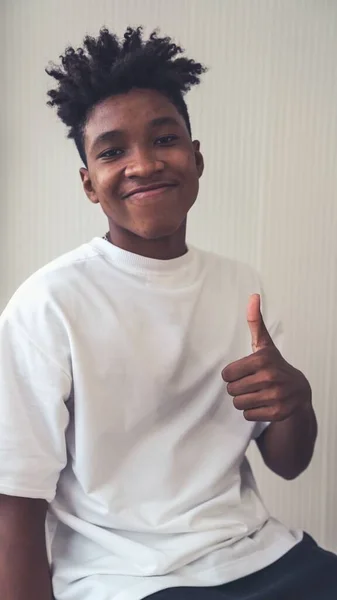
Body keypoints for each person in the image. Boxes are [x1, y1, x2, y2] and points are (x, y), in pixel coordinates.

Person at [0, 26, 335, 600]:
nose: (144, 164)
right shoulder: (49, 304)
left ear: (196, 158)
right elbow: (15, 502)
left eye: (164, 139)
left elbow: (289, 463)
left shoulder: (241, 286)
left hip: (258, 552)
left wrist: (295, 401)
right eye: (112, 151)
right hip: (124, 580)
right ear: (89, 184)